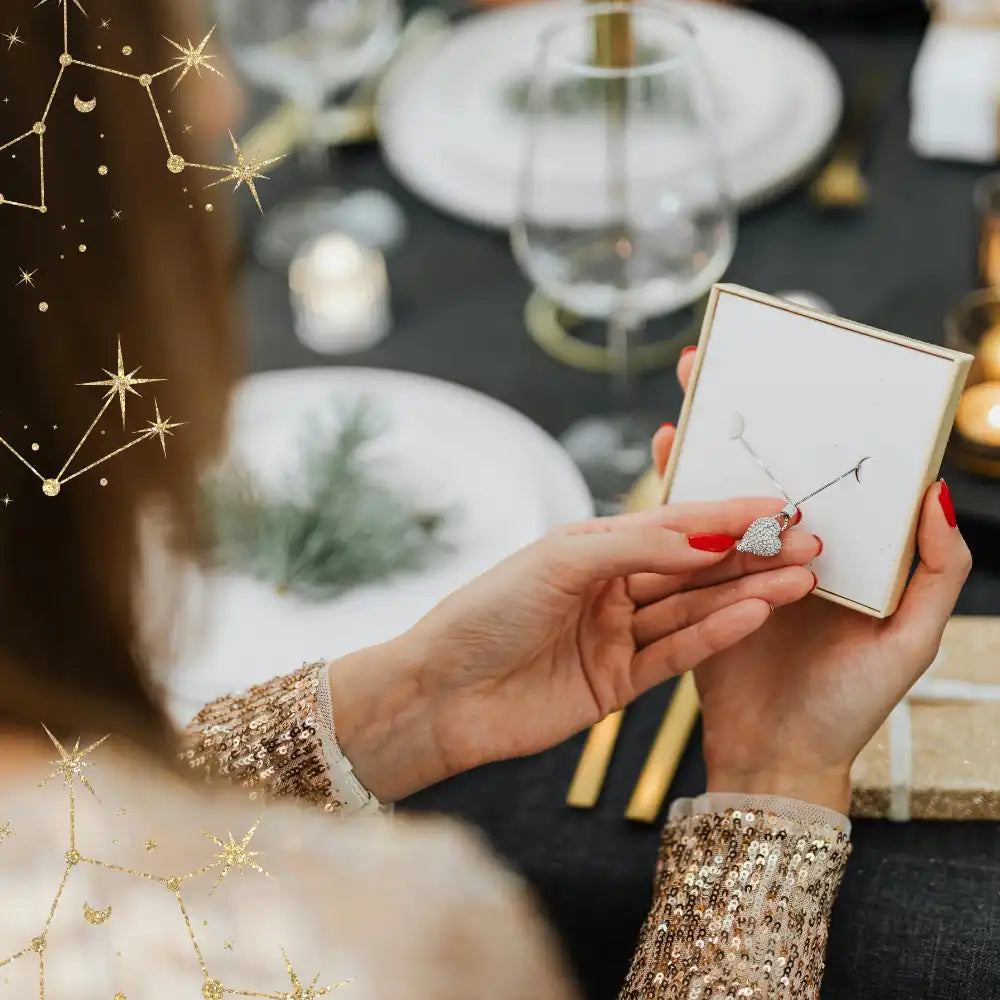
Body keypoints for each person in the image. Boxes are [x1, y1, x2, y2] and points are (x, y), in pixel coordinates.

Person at [0, 0, 971, 997]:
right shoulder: (384, 932)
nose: (225, 90)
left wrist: (415, 699)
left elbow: (79, 821)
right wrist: (771, 785)